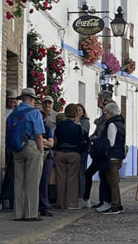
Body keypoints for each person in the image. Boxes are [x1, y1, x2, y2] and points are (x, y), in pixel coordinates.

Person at [6, 88, 45, 221]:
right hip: (31, 146)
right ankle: (31, 213)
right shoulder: (34, 113)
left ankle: (18, 213)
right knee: (32, 181)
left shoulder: (13, 113)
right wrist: (41, 151)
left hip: (17, 149)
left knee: (19, 182)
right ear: (30, 99)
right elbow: (39, 135)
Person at [53, 104, 88, 210]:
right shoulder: (77, 127)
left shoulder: (59, 126)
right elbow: (82, 141)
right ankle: (71, 203)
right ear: (76, 113)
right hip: (73, 153)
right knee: (72, 179)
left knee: (60, 178)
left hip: (60, 153)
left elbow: (56, 139)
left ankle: (60, 202)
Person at [83, 91, 113, 211]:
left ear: (105, 101)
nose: (98, 101)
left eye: (100, 99)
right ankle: (100, 200)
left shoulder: (108, 117)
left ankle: (106, 201)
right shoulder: (102, 117)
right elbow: (97, 133)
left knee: (104, 176)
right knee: (96, 175)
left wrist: (93, 140)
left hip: (103, 150)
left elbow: (103, 134)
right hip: (98, 150)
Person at [100, 101, 126, 214]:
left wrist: (100, 144)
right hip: (118, 154)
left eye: (106, 112)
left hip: (112, 155)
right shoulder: (120, 123)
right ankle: (117, 203)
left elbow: (110, 142)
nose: (105, 114)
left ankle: (115, 204)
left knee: (113, 182)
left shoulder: (111, 124)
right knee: (114, 181)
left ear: (110, 113)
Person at [38, 110, 55, 217]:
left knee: (44, 181)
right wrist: (44, 142)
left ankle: (44, 206)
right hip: (37, 156)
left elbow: (51, 143)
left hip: (46, 157)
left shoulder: (47, 128)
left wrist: (41, 141)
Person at [76, 103, 90, 208]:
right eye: (76, 110)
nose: (78, 112)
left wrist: (77, 124)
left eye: (80, 110)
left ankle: (81, 196)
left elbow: (83, 132)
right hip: (75, 150)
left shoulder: (85, 122)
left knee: (81, 173)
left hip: (82, 150)